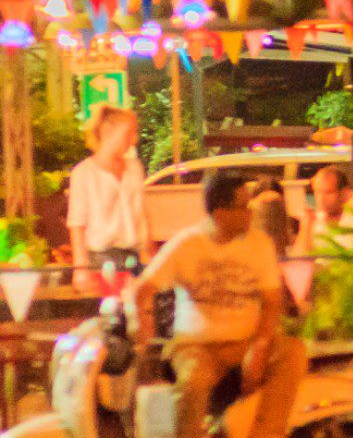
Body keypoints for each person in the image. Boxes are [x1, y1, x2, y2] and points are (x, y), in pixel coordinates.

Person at [134, 169, 308, 438]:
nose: (250, 213)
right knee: (193, 380)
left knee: (293, 353)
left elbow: (272, 303)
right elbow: (143, 288)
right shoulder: (187, 244)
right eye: (243, 207)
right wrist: (141, 318)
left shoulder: (259, 244)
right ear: (220, 214)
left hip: (246, 341)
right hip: (197, 347)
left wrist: (260, 346)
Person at [67, 106, 151, 289]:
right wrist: (81, 267)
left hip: (134, 255)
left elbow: (142, 214)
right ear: (107, 132)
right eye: (128, 133)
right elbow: (77, 223)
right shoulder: (84, 173)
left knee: (137, 313)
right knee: (111, 313)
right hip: (102, 259)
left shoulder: (134, 168)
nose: (134, 140)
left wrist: (147, 252)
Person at [297, 166, 353, 255]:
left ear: (343, 193)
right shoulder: (312, 218)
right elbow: (299, 260)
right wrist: (306, 228)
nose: (321, 199)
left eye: (328, 193)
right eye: (317, 192)